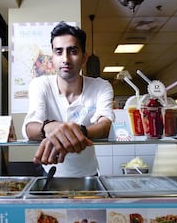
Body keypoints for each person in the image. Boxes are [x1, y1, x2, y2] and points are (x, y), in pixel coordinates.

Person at [22, 22, 115, 177]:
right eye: (59, 52)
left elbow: (105, 127)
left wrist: (79, 131)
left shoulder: (101, 86)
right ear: (52, 58)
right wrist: (51, 127)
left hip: (88, 175)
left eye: (72, 51)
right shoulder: (40, 84)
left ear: (84, 57)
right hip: (49, 172)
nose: (65, 59)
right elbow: (30, 127)